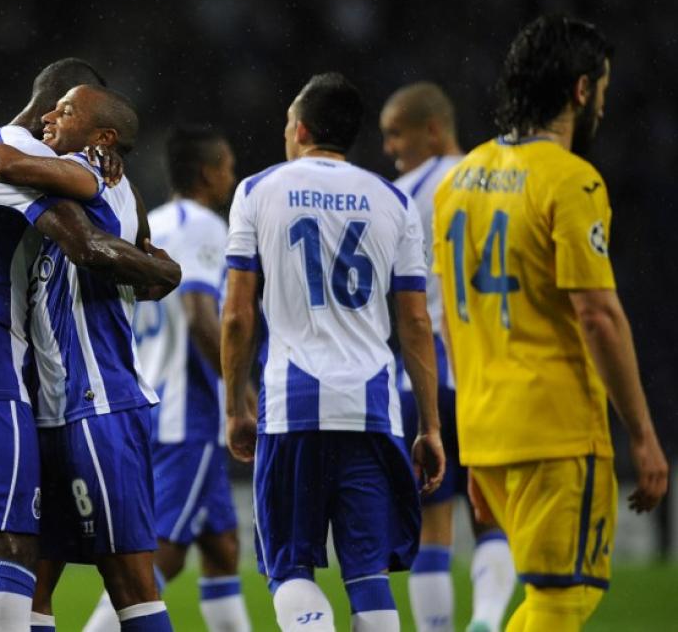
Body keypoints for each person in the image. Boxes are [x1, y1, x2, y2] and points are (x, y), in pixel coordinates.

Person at [432, 14, 669, 632]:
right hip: (555, 430)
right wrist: (641, 433)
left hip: (486, 428)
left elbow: (454, 321)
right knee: (566, 600)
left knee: (553, 598)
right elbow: (597, 314)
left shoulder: (457, 181)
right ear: (582, 91)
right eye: (604, 91)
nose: (604, 107)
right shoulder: (571, 181)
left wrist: (470, 445)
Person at [0, 83, 179, 632]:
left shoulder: (90, 172)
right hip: (50, 411)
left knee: (131, 583)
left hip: (98, 405)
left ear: (103, 137)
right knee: (34, 586)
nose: (49, 115)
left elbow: (2, 163)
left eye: (65, 110)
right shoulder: (76, 182)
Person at [223, 72, 446, 632]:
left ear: (299, 129)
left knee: (291, 567)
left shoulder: (257, 190)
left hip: (292, 405)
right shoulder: (394, 202)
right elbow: (416, 321)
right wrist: (432, 427)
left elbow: (236, 315)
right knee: (368, 575)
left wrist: (234, 407)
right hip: (371, 408)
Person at [83, 125, 252, 632]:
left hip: (147, 401)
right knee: (161, 554)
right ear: (207, 172)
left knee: (221, 547)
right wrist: (240, 392)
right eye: (227, 165)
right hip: (187, 414)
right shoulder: (205, 225)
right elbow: (202, 313)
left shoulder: (145, 222)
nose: (232, 175)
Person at [380, 82, 516, 632]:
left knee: (432, 530)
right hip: (489, 375)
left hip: (422, 379)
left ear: (432, 128)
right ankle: (485, 618)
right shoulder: (501, 181)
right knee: (495, 520)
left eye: (396, 134)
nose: (390, 148)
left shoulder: (400, 193)